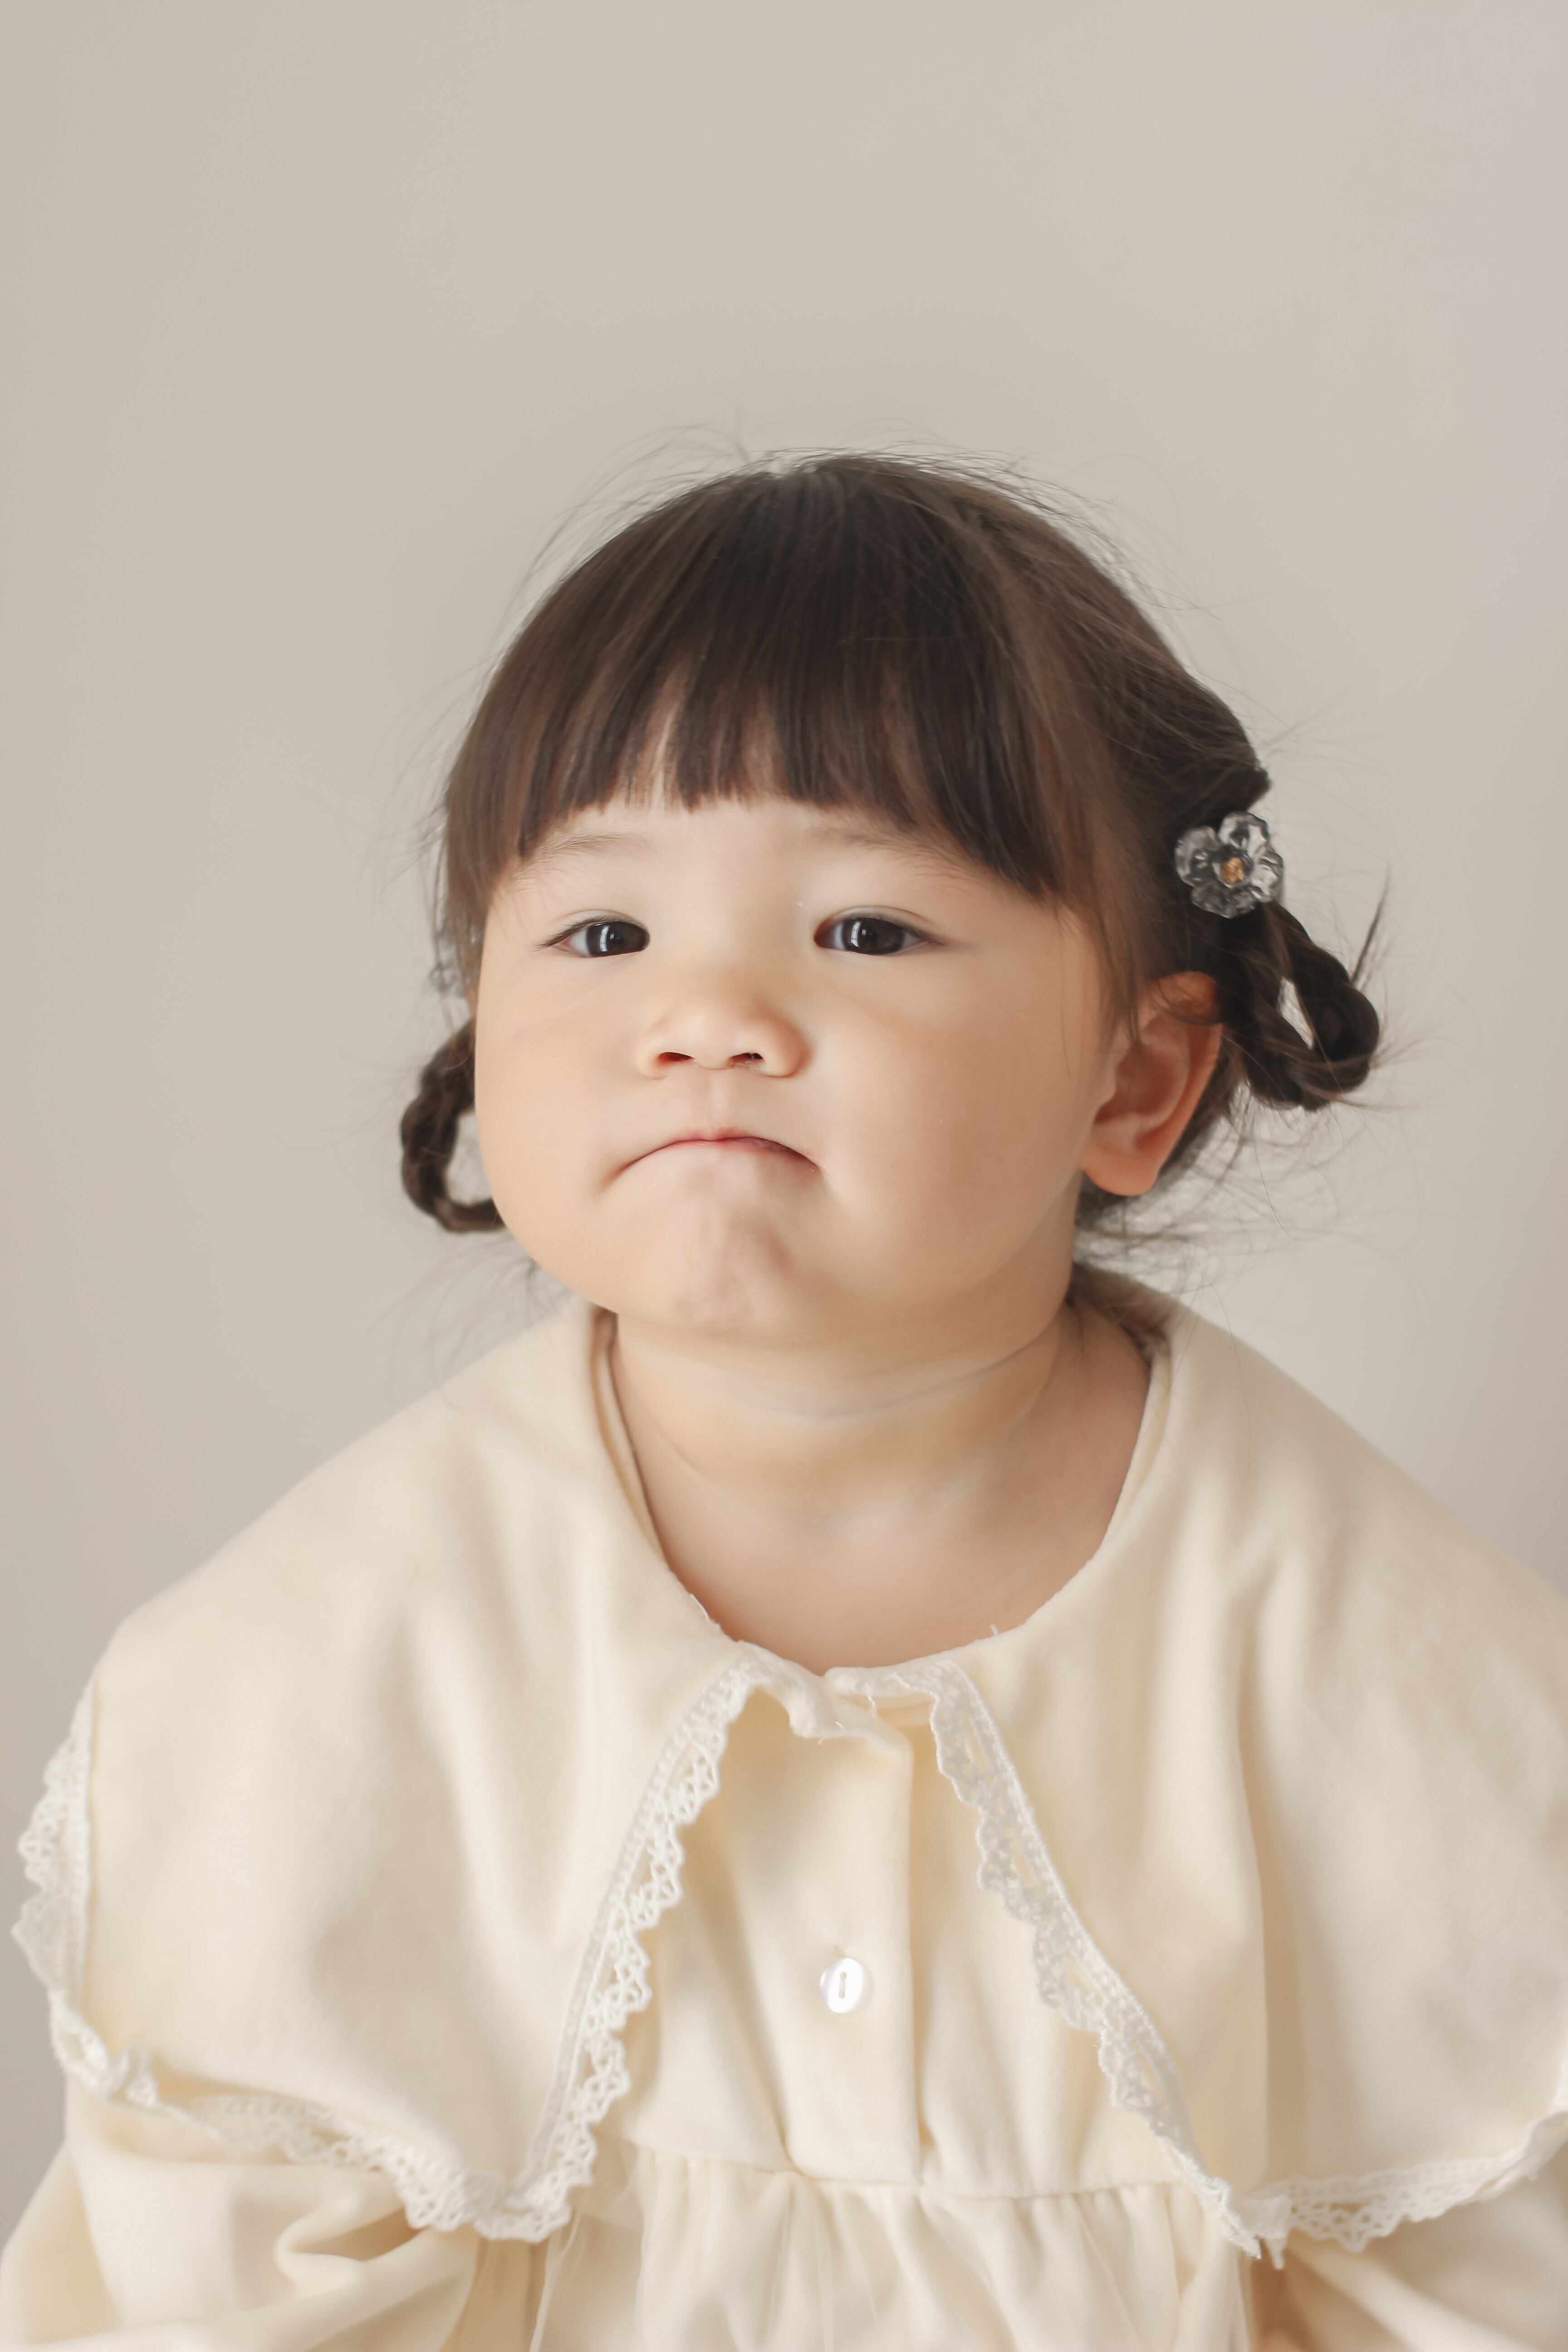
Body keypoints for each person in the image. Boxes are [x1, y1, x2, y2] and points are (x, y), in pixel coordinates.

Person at [4, 454, 1565, 2350]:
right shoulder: (310, 1683)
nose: (707, 1016)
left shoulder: (1396, 1689)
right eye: (604, 935)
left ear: (1136, 1081)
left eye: (864, 929)